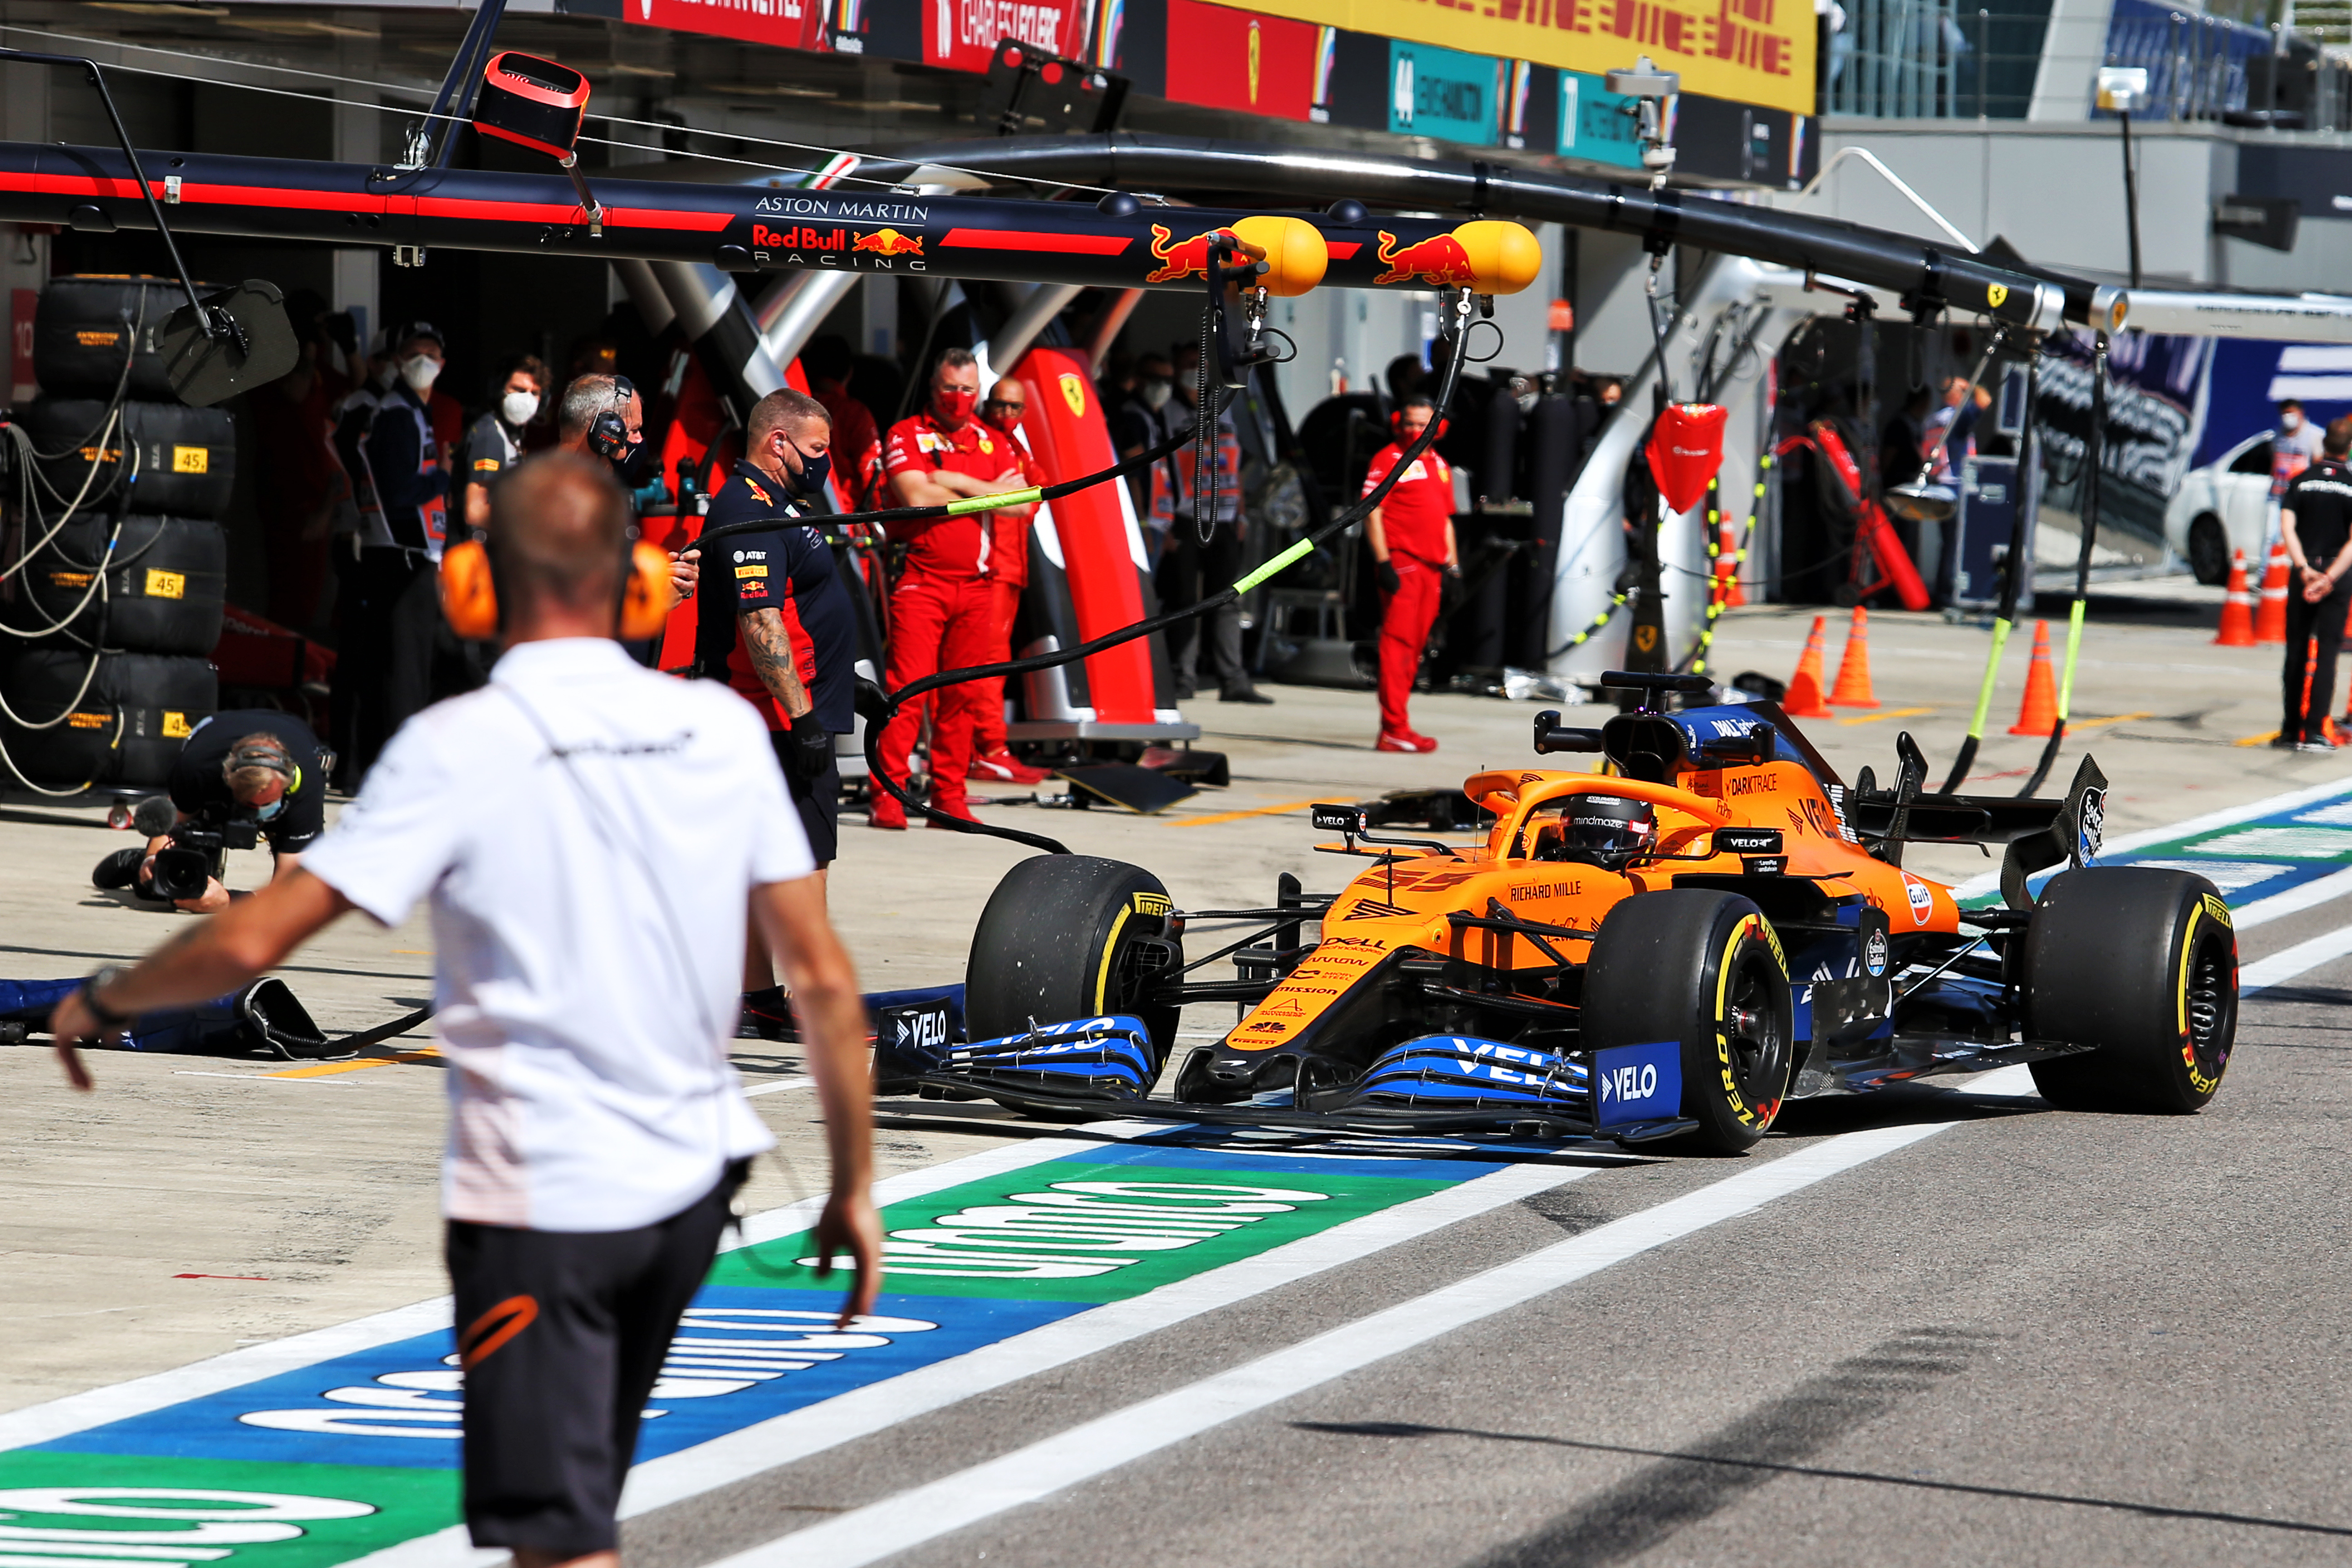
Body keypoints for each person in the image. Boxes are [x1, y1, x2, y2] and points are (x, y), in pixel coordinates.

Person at [48, 452, 883, 1568]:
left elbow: (254, 936)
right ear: (637, 580)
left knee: (560, 1536)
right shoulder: (721, 732)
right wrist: (852, 1188)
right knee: (582, 1495)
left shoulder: (459, 746)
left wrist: (99, 998)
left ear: (478, 590)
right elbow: (821, 978)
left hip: (544, 1203)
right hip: (691, 1191)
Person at [692, 389, 856, 899]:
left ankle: (766, 985)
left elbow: (796, 608)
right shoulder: (748, 508)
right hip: (778, 719)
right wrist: (803, 719)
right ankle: (808, 983)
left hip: (798, 707)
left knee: (779, 861)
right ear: (778, 442)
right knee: (801, 861)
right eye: (816, 451)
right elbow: (761, 621)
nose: (823, 463)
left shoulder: (780, 504)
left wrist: (844, 683)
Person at [875, 348, 1033, 830]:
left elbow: (1021, 505)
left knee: (961, 697)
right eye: (950, 388)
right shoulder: (907, 433)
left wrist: (952, 478)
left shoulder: (993, 439)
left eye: (968, 390)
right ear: (933, 387)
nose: (959, 399)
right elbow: (917, 497)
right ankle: (889, 796)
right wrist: (984, 491)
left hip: (979, 588)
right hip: (921, 582)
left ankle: (949, 797)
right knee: (907, 693)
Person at [88, 710, 329, 913]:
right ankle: (134, 862)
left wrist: (229, 901)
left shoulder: (306, 786)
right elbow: (172, 825)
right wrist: (152, 864)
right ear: (227, 779)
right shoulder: (198, 769)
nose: (255, 814)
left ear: (290, 784)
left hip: (294, 730)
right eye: (248, 805)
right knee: (161, 889)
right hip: (213, 740)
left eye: (265, 804)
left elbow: (293, 892)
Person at [352, 323, 456, 783]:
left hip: (411, 552)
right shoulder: (397, 411)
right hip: (401, 553)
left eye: (431, 353)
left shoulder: (413, 410)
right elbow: (400, 492)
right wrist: (445, 475)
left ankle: (393, 763)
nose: (422, 362)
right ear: (397, 360)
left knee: (405, 664)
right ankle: (401, 768)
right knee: (404, 668)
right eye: (413, 353)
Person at [1157, 355, 1270, 704]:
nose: (1195, 370)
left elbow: (1233, 464)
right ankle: (1182, 677)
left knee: (1228, 601)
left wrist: (1239, 515)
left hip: (1224, 520)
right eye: (1188, 363)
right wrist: (1161, 525)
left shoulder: (1224, 406)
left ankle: (1233, 679)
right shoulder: (1165, 411)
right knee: (1184, 600)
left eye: (1200, 363)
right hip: (1183, 518)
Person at [1362, 394, 1461, 753]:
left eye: (1423, 423)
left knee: (1416, 646)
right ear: (1397, 424)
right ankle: (1393, 728)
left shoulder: (1439, 464)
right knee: (1398, 644)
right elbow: (1372, 512)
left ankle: (1399, 725)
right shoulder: (1388, 459)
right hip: (1403, 561)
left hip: (1432, 567)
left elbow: (1445, 519)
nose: (1415, 430)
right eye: (1409, 423)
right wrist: (1384, 562)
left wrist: (1453, 566)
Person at [967, 377, 1052, 785]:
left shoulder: (1014, 446)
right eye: (999, 405)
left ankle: (986, 748)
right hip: (990, 571)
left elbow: (1039, 486)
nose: (1006, 414)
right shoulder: (980, 441)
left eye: (1014, 408)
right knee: (985, 665)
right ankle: (988, 750)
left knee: (992, 665)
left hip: (1009, 569)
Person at [2277, 416, 2352, 751]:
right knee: (2327, 653)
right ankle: (2315, 730)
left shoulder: (2300, 481)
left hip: (2303, 574)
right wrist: (2330, 577)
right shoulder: (2351, 484)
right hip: (2336, 576)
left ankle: (2290, 729)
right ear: (2349, 449)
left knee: (2296, 651)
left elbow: (2287, 527)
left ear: (2323, 446)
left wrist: (2304, 568)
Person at [457, 354, 549, 542]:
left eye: (535, 393)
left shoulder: (512, 435)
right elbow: (475, 511)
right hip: (478, 552)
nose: (527, 399)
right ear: (499, 390)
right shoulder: (490, 433)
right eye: (519, 390)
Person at [1112, 352, 1183, 567]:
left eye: (1168, 380)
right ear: (1139, 379)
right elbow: (1132, 474)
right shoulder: (1133, 416)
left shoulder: (1159, 417)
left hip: (1159, 520)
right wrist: (1142, 524)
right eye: (1156, 379)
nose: (1163, 386)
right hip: (1142, 521)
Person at [804, 334, 884, 511]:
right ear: (850, 373)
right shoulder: (854, 414)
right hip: (844, 520)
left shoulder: (791, 408)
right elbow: (872, 473)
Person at [2274, 398, 2325, 508]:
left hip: (2301, 493)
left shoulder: (2315, 435)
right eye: (2285, 414)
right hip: (2279, 494)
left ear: (2300, 413)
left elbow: (2319, 464)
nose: (2287, 417)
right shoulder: (2277, 435)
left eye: (2291, 413)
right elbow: (2274, 461)